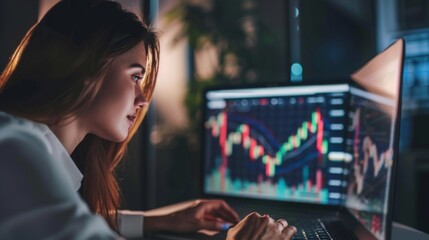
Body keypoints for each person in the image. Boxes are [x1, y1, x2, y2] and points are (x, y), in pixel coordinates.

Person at [0, 0, 297, 239]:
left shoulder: (30, 148)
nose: (142, 100)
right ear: (87, 67)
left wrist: (158, 221)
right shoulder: (14, 147)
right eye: (135, 76)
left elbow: (60, 218)